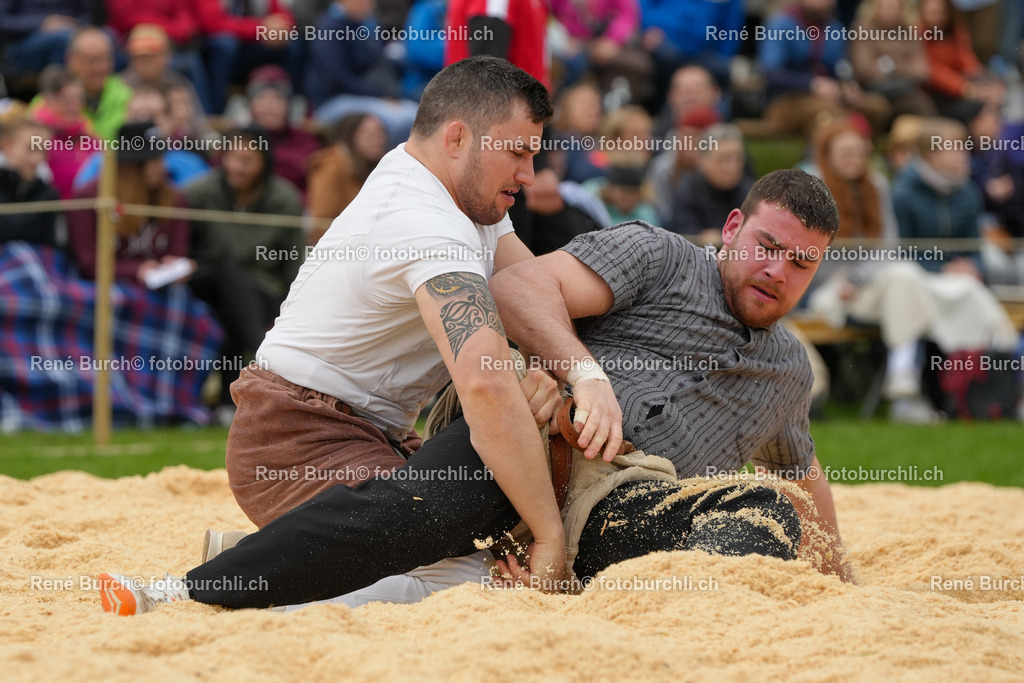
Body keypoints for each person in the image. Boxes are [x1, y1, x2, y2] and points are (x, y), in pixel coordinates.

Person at [98, 167, 855, 616]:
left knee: (765, 516)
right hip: (536, 442)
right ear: (733, 227)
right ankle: (185, 590)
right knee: (418, 510)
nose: (777, 271)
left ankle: (565, 599)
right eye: (767, 246)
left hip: (622, 509)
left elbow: (803, 472)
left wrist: (843, 578)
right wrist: (576, 373)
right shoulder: (659, 256)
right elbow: (519, 288)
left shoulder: (789, 371)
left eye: (801, 263)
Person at [805, 117, 1018, 423]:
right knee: (905, 276)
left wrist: (972, 266)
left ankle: (980, 378)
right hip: (832, 289)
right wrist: (853, 279)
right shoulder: (813, 191)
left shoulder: (877, 185)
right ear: (827, 155)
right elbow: (812, 253)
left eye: (859, 152)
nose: (854, 159)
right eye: (846, 153)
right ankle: (905, 385)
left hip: (880, 284)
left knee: (937, 283)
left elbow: (889, 247)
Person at [183, 127, 304, 420]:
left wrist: (292, 309)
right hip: (207, 280)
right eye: (231, 158)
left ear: (264, 163)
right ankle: (267, 360)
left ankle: (229, 403)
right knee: (228, 277)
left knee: (235, 304)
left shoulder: (284, 199)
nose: (236, 167)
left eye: (247, 160)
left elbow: (294, 264)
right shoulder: (198, 193)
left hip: (261, 289)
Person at [305, 112, 387, 243]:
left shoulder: (379, 167)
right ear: (350, 136)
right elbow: (321, 223)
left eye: (379, 132)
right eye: (367, 132)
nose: (376, 138)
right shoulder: (330, 167)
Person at [670, 123, 753, 240]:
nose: (732, 166)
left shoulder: (752, 194)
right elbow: (683, 235)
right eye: (724, 159)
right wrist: (700, 238)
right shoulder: (687, 193)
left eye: (737, 158)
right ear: (703, 161)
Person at [62, 27, 133, 140]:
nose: (100, 67)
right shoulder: (51, 102)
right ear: (71, 61)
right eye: (92, 60)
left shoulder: (129, 98)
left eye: (105, 59)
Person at [0, 117, 61, 248]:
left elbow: (51, 243)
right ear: (6, 146)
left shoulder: (47, 192)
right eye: (30, 149)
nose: (38, 158)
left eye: (43, 150)